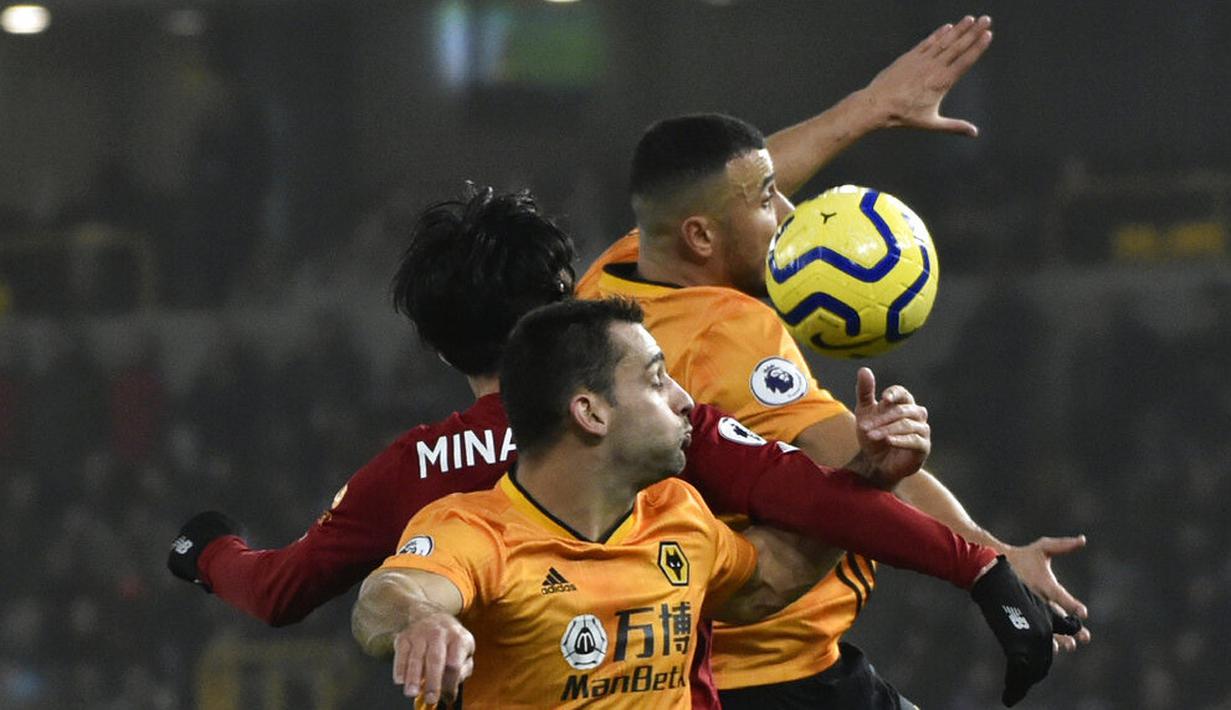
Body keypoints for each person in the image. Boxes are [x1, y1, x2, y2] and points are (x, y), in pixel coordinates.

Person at [169, 187, 1071, 707]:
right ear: (571, 313)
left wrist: (207, 549)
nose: (674, 394)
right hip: (776, 681)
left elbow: (281, 588)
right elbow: (803, 500)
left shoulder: (409, 471)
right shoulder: (647, 427)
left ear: (440, 348)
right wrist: (979, 571)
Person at [575, 54, 1093, 710]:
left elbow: (728, 185)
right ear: (702, 235)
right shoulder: (725, 337)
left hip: (681, 663)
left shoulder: (615, 274)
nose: (789, 212)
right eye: (767, 202)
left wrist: (867, 108)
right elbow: (854, 471)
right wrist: (995, 557)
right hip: (771, 675)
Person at [350, 298, 1066, 708]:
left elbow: (765, 584)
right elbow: (391, 592)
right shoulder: (474, 530)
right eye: (657, 380)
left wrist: (866, 479)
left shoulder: (677, 517)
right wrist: (421, 620)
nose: (685, 400)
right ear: (590, 413)